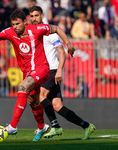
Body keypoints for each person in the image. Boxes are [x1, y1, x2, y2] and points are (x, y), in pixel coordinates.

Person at [0, 8, 75, 141]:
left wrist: (68, 44)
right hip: (27, 72)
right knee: (33, 102)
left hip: (42, 69)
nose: (15, 27)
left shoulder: (37, 29)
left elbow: (57, 28)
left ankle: (13, 126)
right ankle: (42, 127)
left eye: (17, 24)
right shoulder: (9, 32)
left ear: (25, 22)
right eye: (13, 24)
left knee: (22, 87)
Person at [29, 5, 95, 140]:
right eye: (32, 16)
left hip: (51, 70)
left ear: (42, 16)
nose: (34, 19)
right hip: (43, 71)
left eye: (37, 15)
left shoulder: (49, 32)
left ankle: (55, 126)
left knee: (40, 96)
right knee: (57, 106)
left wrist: (59, 70)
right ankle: (86, 126)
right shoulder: (32, 33)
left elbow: (61, 52)